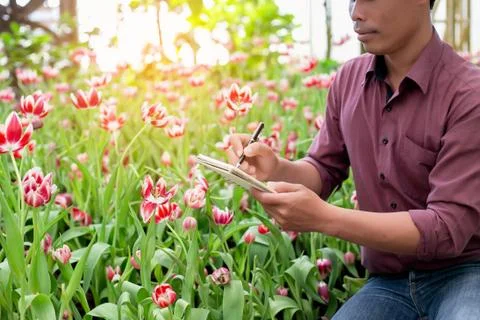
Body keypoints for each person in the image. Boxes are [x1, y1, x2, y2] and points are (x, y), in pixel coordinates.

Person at [226, 0, 480, 319]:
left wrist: (325, 218)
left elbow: (445, 229)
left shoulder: (470, 94)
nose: (356, 12)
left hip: (466, 274)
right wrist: (276, 168)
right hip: (388, 284)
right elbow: (323, 170)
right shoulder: (349, 79)